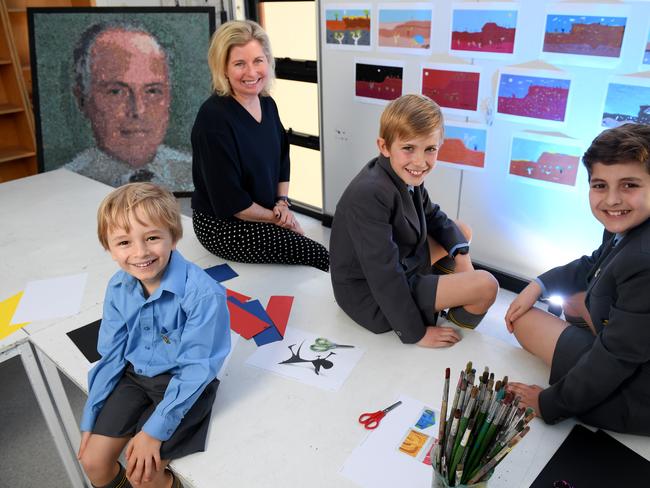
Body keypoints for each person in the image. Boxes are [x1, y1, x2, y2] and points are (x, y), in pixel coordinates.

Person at [77, 183, 231, 488]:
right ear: (109, 248)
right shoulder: (118, 287)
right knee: (93, 461)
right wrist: (91, 414)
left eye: (152, 238)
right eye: (124, 242)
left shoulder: (203, 295)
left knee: (143, 474)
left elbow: (197, 370)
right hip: (134, 377)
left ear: (173, 237)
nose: (140, 253)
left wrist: (153, 432)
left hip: (185, 386)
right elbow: (112, 356)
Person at [505, 123, 650, 435]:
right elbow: (594, 263)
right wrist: (538, 285)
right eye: (600, 185)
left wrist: (547, 403)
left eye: (629, 185)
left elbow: (617, 358)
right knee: (574, 299)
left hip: (636, 396)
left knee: (525, 322)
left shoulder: (644, 260)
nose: (611, 200)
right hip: (635, 346)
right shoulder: (629, 227)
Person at [329, 94, 498, 347]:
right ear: (384, 146)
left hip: (401, 262)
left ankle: (441, 296)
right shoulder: (370, 193)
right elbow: (384, 275)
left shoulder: (403, 173)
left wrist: (463, 257)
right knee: (487, 286)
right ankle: (446, 325)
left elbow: (433, 215)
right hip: (372, 295)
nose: (420, 161)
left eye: (430, 149)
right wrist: (417, 333)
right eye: (409, 148)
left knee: (462, 232)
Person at [190, 20, 329, 271]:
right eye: (239, 64)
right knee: (316, 253)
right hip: (224, 225)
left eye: (258, 61)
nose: (252, 73)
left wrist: (282, 203)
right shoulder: (213, 120)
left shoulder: (267, 103)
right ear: (223, 69)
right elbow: (233, 204)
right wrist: (279, 220)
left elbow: (282, 158)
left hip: (264, 211)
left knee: (309, 248)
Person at [66, 22, 193, 191]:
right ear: (82, 100)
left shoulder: (196, 173)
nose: (138, 110)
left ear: (168, 97)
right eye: (116, 92)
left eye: (152, 91)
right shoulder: (69, 184)